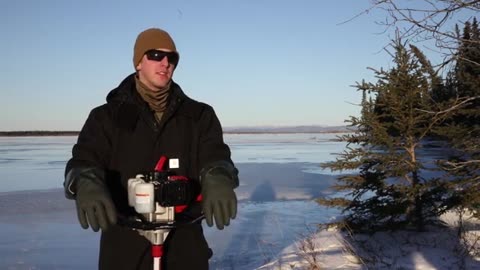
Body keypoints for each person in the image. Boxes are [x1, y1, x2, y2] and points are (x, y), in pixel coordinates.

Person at [63, 27, 239, 270]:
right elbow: (83, 160)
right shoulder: (107, 117)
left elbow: (216, 154)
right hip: (125, 243)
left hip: (184, 238)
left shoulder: (198, 116)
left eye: (172, 58)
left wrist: (218, 175)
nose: (165, 63)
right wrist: (85, 181)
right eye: (155, 55)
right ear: (138, 62)